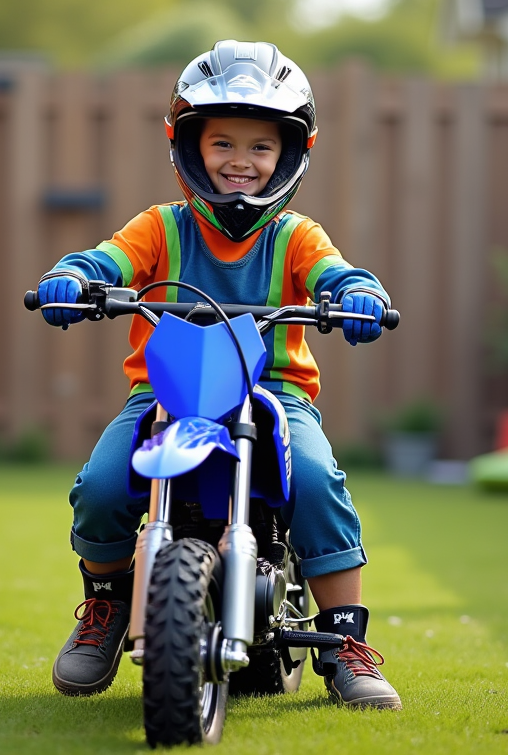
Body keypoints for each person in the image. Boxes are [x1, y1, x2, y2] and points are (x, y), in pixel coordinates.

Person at [36, 40, 401, 711]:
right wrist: (76, 276)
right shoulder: (161, 227)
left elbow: (335, 273)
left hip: (274, 396)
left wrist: (357, 294)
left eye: (260, 147)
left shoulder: (296, 235)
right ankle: (109, 607)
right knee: (99, 486)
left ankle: (345, 641)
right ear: (187, 147)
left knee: (317, 480)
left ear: (289, 155)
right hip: (163, 395)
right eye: (223, 143)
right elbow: (110, 259)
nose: (240, 161)